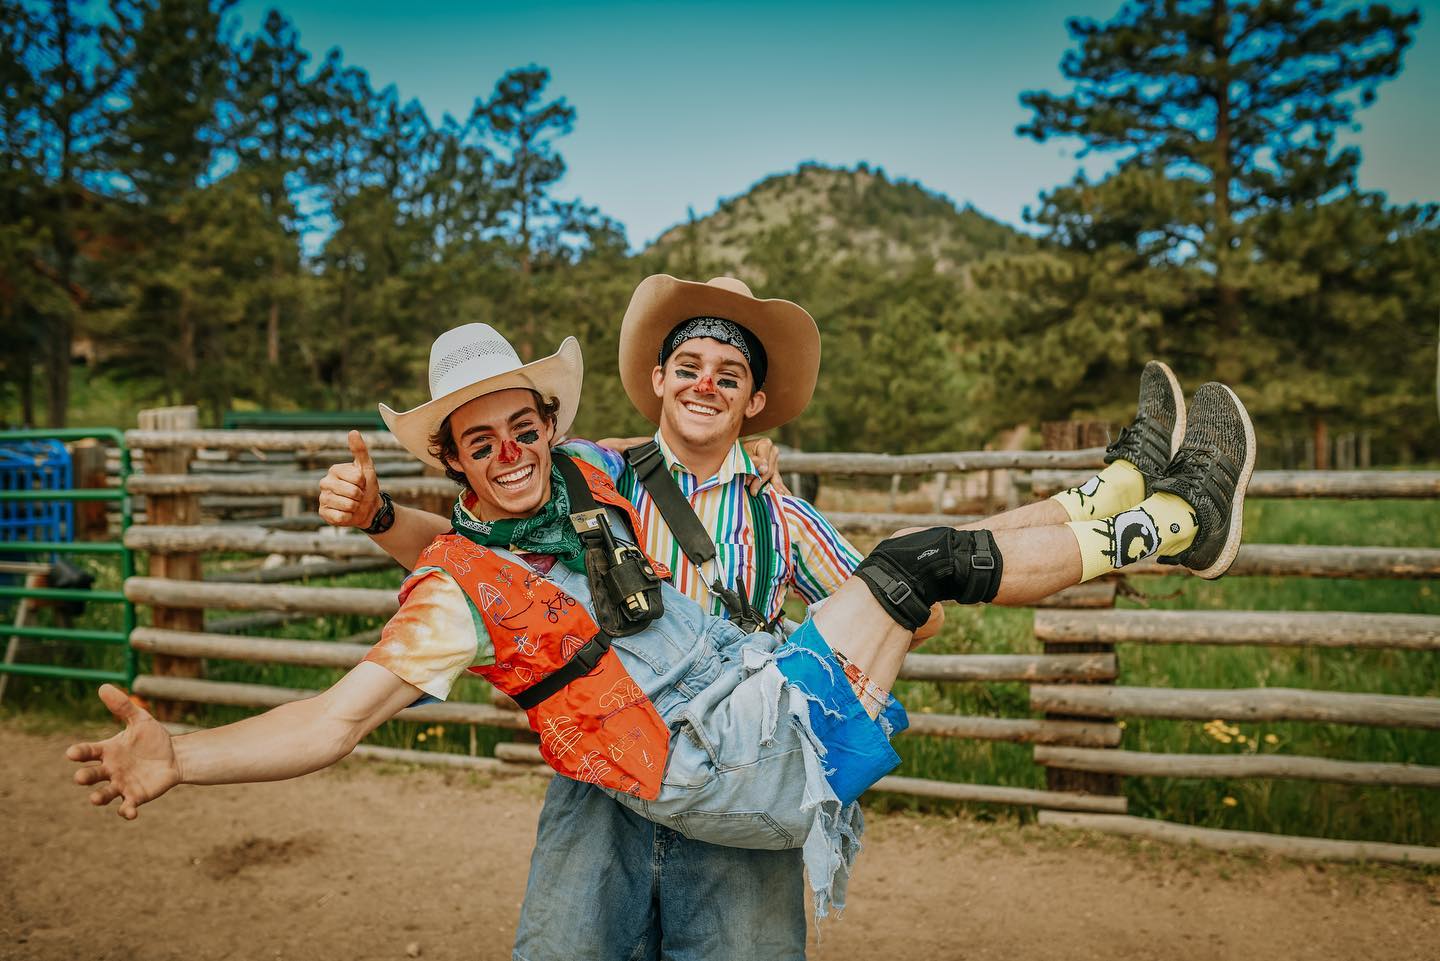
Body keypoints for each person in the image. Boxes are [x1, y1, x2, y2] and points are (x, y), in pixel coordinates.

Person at [69, 323, 1255, 961]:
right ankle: (1165, 521)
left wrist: (392, 517)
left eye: (520, 425)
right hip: (672, 765)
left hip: (740, 725)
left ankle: (1129, 500)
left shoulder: (603, 480)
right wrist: (192, 754)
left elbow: (514, 517)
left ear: (552, 426)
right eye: (478, 443)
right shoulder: (462, 588)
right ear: (455, 461)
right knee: (914, 565)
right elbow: (333, 718)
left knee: (915, 564)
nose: (508, 450)